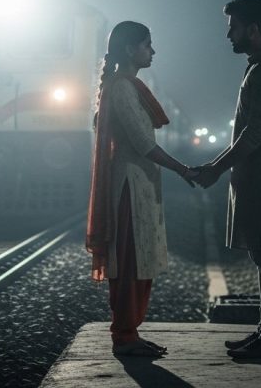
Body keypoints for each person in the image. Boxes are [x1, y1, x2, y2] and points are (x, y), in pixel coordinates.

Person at [86, 21, 198, 357]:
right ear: (130, 49)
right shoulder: (121, 88)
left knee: (136, 260)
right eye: (147, 45)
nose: (153, 51)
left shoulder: (127, 86)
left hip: (138, 183)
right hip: (129, 186)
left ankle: (130, 333)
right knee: (131, 261)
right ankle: (124, 336)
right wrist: (182, 169)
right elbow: (142, 142)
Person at [194, 0, 261, 359]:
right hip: (259, 176)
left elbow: (255, 132)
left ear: (253, 29)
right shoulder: (260, 66)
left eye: (232, 27)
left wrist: (215, 169)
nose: (228, 35)